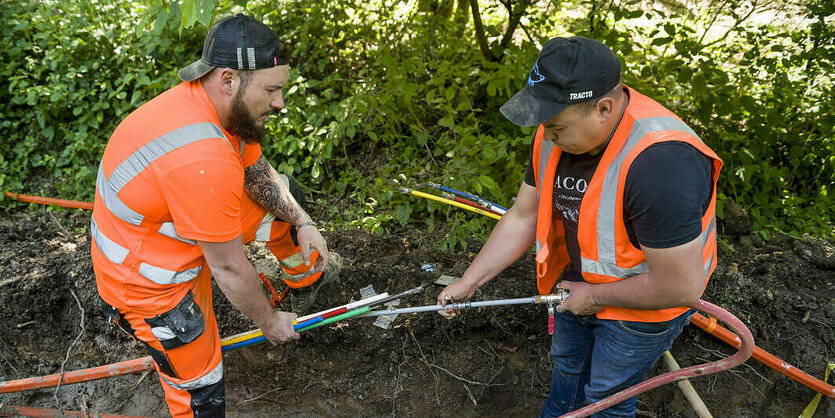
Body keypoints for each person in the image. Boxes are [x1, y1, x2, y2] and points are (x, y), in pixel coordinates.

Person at [437, 36, 722, 416]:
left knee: (606, 399)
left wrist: (597, 297)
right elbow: (524, 214)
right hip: (573, 289)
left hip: (644, 307)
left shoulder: (661, 165)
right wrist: (468, 282)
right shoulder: (555, 131)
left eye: (556, 127)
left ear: (603, 108)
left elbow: (680, 285)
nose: (546, 135)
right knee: (569, 371)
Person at [90, 14, 341, 416]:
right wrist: (270, 322)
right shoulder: (200, 157)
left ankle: (305, 277)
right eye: (272, 90)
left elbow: (258, 173)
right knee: (201, 392)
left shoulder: (220, 110)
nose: (280, 102)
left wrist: (303, 222)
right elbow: (228, 268)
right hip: (149, 286)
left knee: (287, 197)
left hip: (177, 232)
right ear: (228, 80)